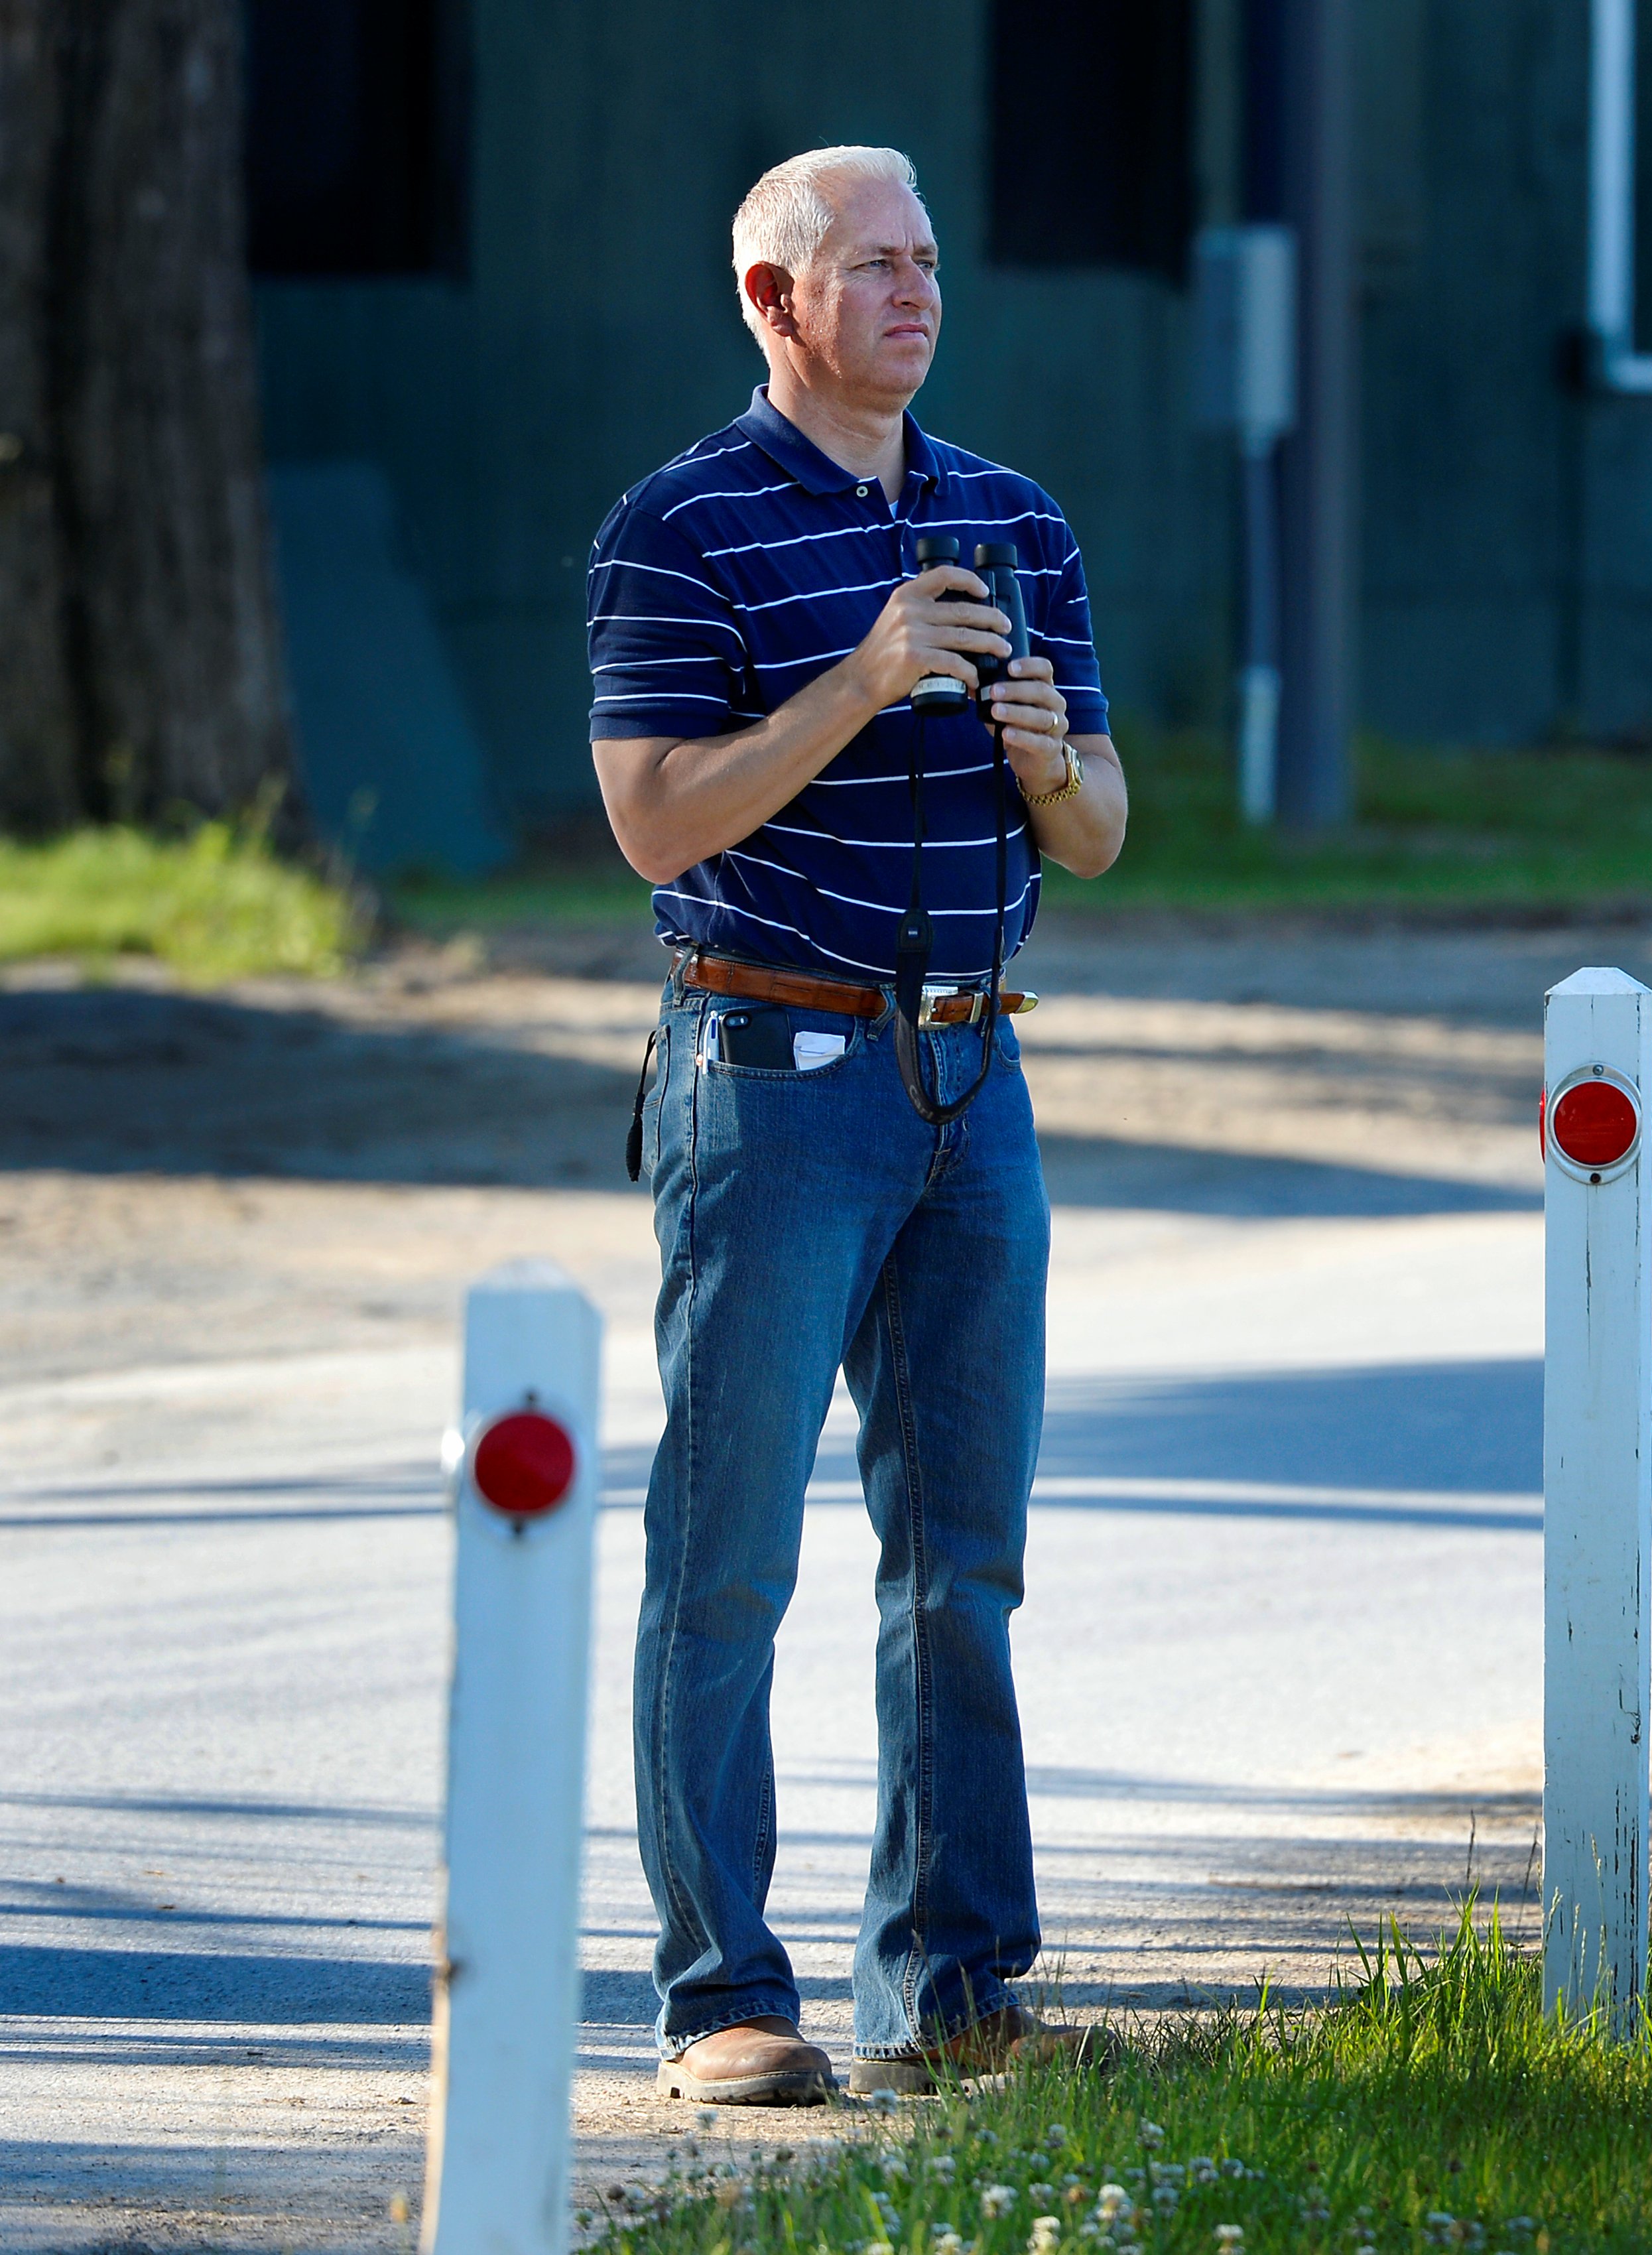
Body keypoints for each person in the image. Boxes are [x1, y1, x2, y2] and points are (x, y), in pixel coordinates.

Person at [584, 144, 1128, 2104]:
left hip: (976, 1083)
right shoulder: (682, 530)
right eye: (872, 266)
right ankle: (721, 1996)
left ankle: (961, 1993)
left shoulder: (1014, 517)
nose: (917, 292)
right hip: (772, 1084)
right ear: (772, 298)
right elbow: (655, 818)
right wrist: (865, 678)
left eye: (927, 261)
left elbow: (1104, 829)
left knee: (958, 1563)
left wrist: (1051, 767)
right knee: (727, 1561)